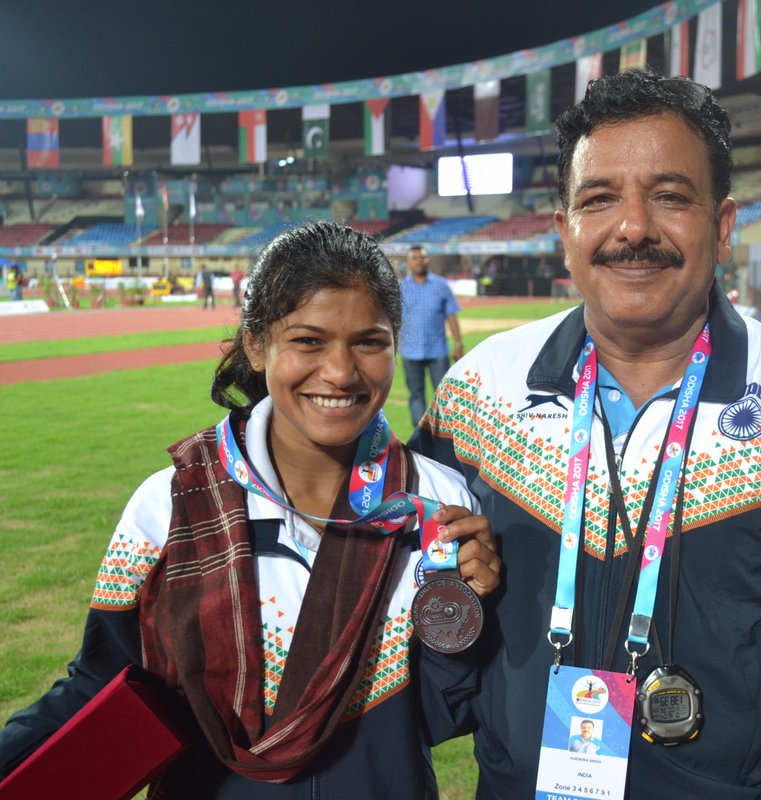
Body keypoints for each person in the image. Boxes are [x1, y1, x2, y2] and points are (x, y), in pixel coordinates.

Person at [411, 70, 761, 798]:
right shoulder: (477, 394)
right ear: (564, 232)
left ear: (722, 226)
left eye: (669, 196)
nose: (633, 228)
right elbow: (414, 619)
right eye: (599, 199)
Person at [0, 221, 501, 797]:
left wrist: (465, 616)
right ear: (257, 345)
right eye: (309, 341)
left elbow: (442, 716)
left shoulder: (437, 505)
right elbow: (101, 681)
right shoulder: (168, 507)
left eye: (369, 341)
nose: (340, 371)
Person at [398, 245, 463, 428]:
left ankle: (444, 433)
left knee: (443, 394)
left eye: (422, 257)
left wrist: (458, 342)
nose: (419, 261)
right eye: (414, 258)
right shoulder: (401, 287)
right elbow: (394, 319)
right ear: (408, 263)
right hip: (410, 351)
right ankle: (420, 436)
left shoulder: (441, 285)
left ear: (428, 260)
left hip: (438, 351)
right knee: (416, 395)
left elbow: (451, 314)